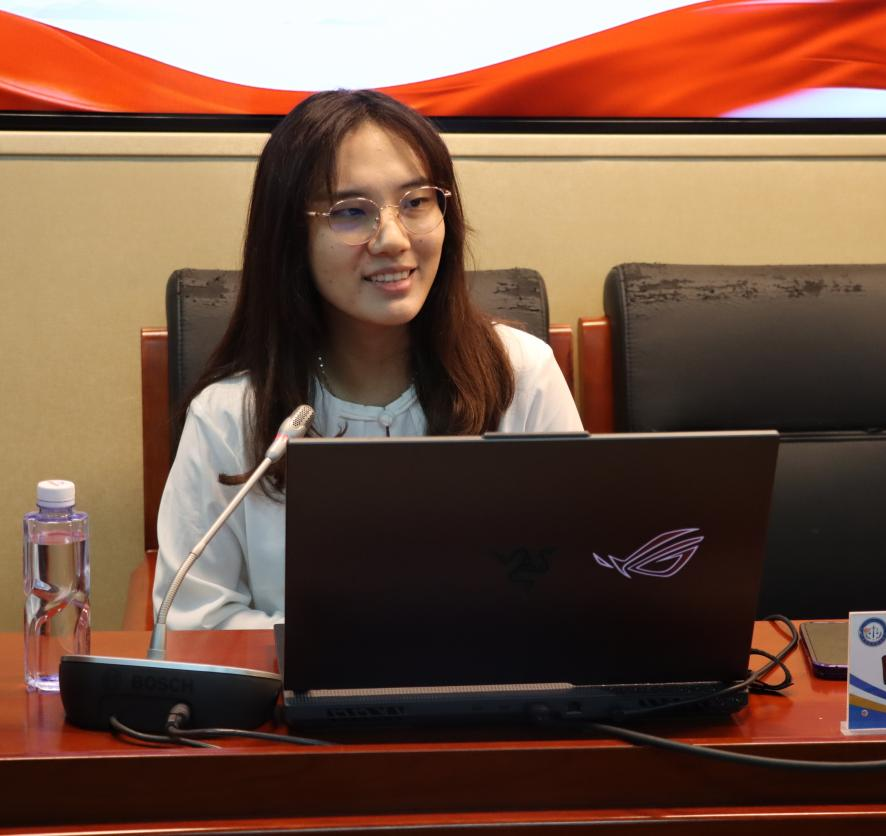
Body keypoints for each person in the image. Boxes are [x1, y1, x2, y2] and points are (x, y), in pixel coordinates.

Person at [153, 90, 583, 629]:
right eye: (351, 212)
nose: (393, 239)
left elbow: (580, 579)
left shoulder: (522, 373)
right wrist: (341, 645)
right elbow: (192, 620)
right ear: (290, 238)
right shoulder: (229, 415)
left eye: (416, 202)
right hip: (294, 685)